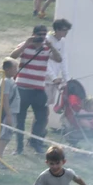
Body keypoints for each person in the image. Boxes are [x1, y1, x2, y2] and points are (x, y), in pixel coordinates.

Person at [10, 25, 62, 154]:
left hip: (38, 88)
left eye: (44, 34)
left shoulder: (46, 48)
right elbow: (12, 57)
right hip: (22, 87)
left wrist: (52, 47)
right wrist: (27, 43)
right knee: (20, 118)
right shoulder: (25, 45)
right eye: (39, 34)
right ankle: (19, 146)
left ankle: (35, 142)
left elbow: (59, 59)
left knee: (42, 117)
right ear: (33, 34)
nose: (42, 37)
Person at [45, 19, 71, 123]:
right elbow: (44, 61)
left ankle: (40, 133)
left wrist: (67, 78)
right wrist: (53, 77)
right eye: (64, 30)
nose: (66, 33)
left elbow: (63, 60)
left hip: (53, 81)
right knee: (43, 110)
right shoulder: (47, 40)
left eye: (67, 30)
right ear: (57, 30)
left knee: (47, 109)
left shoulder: (62, 41)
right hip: (45, 80)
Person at [0, 58, 20, 159]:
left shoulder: (10, 80)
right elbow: (4, 98)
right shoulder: (6, 81)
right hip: (8, 112)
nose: (16, 70)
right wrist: (9, 115)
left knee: (7, 135)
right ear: (8, 69)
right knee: (5, 135)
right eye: (14, 68)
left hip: (12, 112)